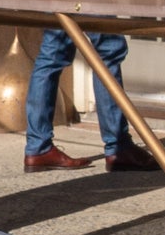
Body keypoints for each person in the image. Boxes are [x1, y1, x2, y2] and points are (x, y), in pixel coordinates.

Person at [21, 25, 157, 174]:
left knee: (52, 53)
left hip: (57, 1)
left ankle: (38, 147)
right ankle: (118, 147)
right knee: (108, 51)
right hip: (89, 2)